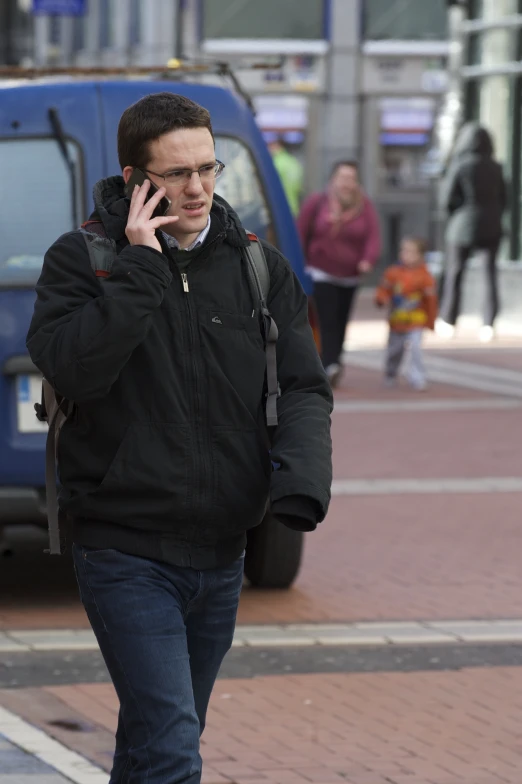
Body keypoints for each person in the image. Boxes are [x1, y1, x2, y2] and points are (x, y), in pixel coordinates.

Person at [26, 92, 333, 783]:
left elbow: (305, 387)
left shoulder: (259, 269)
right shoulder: (82, 261)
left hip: (222, 552)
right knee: (171, 748)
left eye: (208, 168)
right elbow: (74, 367)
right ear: (136, 180)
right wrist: (141, 271)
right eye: (176, 173)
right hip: (124, 548)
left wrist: (299, 483)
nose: (197, 188)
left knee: (151, 740)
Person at [297, 160, 381, 388]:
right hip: (320, 272)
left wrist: (367, 260)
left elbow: (373, 236)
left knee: (342, 321)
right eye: (343, 178)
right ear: (333, 179)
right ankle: (329, 364)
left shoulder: (364, 206)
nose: (347, 183)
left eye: (351, 178)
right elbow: (300, 232)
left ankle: (333, 362)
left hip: (350, 275)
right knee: (327, 319)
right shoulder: (318, 202)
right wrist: (299, 265)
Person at [438, 123, 507, 342]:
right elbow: (504, 199)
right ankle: (488, 323)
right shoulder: (496, 167)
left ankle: (448, 320)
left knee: (455, 274)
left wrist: (456, 214)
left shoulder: (461, 165)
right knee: (490, 275)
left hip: (462, 226)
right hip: (491, 225)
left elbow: (447, 198)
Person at [375, 236, 437, 391]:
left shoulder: (425, 276)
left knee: (416, 348)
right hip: (397, 321)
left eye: (411, 252)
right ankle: (391, 372)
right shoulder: (393, 273)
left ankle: (417, 375)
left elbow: (431, 300)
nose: (406, 255)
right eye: (404, 251)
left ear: (420, 255)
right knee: (395, 350)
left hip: (416, 320)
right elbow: (384, 290)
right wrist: (381, 299)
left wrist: (431, 321)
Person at [268, 136, 304, 216]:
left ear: (277, 145)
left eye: (270, 145)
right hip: (294, 207)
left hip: (279, 207)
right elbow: (299, 188)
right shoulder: (293, 162)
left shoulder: (275, 163)